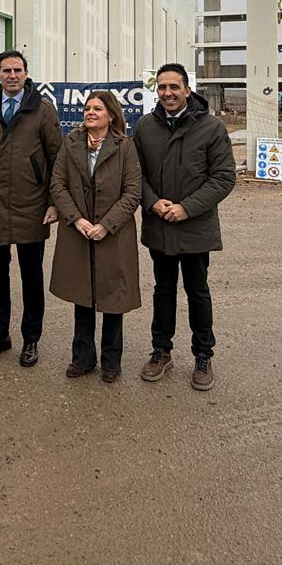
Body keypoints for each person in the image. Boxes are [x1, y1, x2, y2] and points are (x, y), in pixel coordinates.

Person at [132, 62, 237, 392]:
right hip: (159, 225)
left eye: (173, 87)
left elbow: (223, 177)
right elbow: (136, 175)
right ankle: (161, 350)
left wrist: (186, 207)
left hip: (195, 227)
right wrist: (153, 202)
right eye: (162, 87)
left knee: (197, 291)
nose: (167, 93)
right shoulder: (145, 127)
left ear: (187, 90)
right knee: (163, 290)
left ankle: (203, 354)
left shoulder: (211, 128)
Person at [0, 49, 63, 368]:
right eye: (6, 70)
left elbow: (57, 159)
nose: (12, 75)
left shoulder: (42, 109)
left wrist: (54, 202)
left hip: (31, 205)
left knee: (31, 275)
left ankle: (31, 339)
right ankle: (0, 334)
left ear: (26, 73)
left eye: (17, 70)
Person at [49, 90, 143, 383]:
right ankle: (82, 358)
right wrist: (75, 219)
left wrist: (106, 224)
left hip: (113, 235)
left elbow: (133, 192)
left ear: (111, 115)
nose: (89, 112)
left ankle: (111, 362)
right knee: (83, 296)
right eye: (87, 108)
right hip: (78, 232)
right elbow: (58, 184)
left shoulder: (125, 146)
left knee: (113, 298)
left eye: (97, 109)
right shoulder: (71, 143)